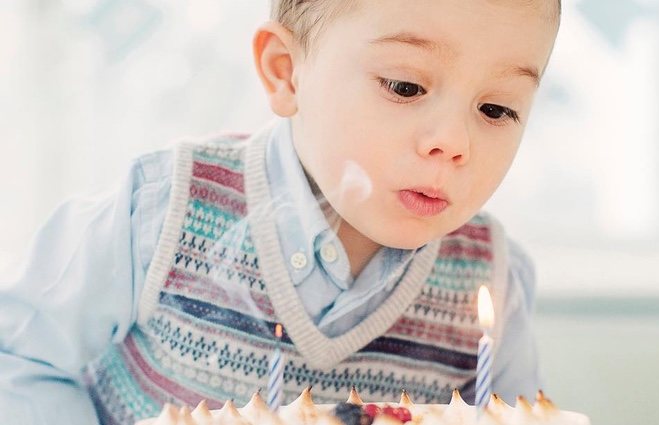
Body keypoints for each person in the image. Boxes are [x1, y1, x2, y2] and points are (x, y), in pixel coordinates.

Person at [0, 0, 561, 424]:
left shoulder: (490, 276)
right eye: (405, 85)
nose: (453, 141)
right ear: (286, 72)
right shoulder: (159, 210)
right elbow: (19, 361)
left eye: (497, 108)